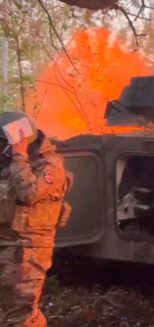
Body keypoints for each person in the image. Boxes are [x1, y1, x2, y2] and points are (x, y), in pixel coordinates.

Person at [0, 111, 72, 326]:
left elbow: (27, 193)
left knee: (21, 315)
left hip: (27, 251)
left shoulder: (49, 166)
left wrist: (18, 155)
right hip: (7, 245)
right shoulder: (11, 165)